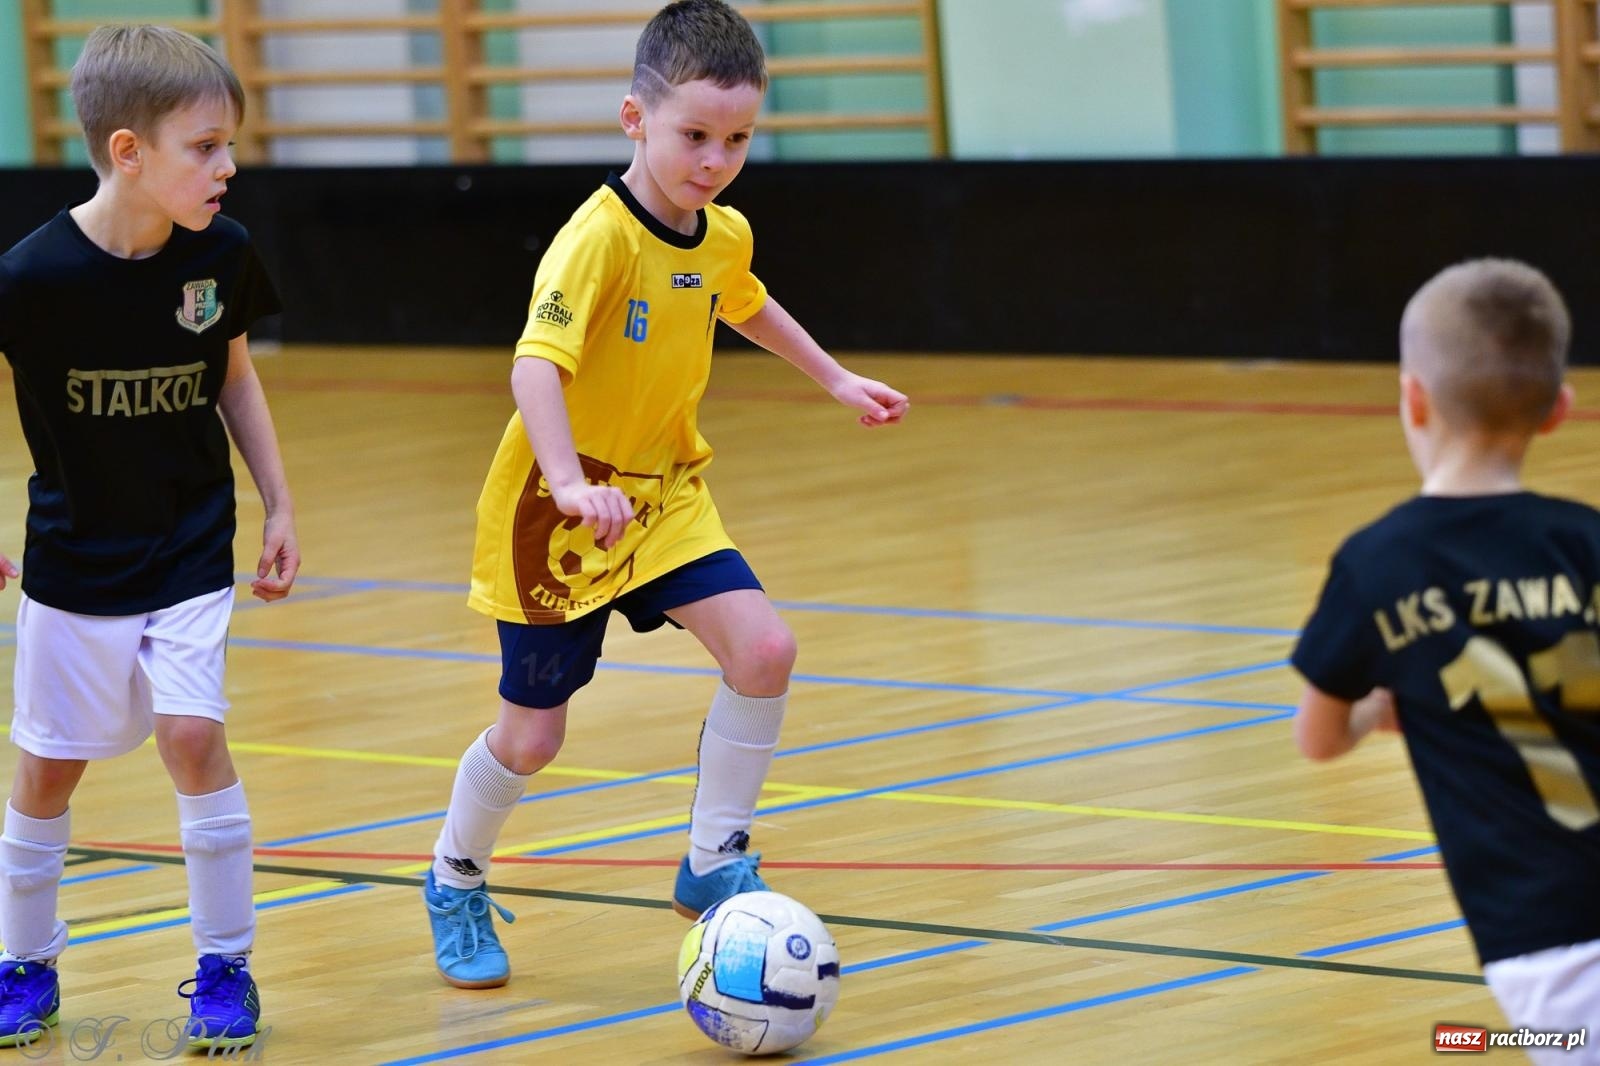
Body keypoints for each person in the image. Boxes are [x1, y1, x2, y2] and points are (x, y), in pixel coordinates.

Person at [422, 0, 907, 990]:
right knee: (533, 733)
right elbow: (532, 368)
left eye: (737, 138)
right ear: (635, 119)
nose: (715, 158)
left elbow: (747, 300)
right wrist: (562, 481)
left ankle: (711, 855)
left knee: (765, 649)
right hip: (554, 514)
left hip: (663, 497)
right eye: (695, 135)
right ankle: (454, 874)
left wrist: (834, 378)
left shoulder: (720, 232)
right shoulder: (596, 240)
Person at [0, 25, 296, 1051]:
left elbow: (236, 378)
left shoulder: (222, 256)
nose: (226, 168)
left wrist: (279, 502)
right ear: (129, 152)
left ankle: (226, 965)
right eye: (204, 147)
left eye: (228, 147)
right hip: (74, 559)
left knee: (190, 736)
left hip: (187, 547)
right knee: (44, 773)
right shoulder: (32, 278)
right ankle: (24, 964)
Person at [1293, 259, 1600, 1063]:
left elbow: (1318, 737)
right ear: (1559, 409)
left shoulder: (1377, 565)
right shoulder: (1587, 540)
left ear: (1413, 398)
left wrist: (1376, 710)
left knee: (1470, 1045)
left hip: (1550, 940)